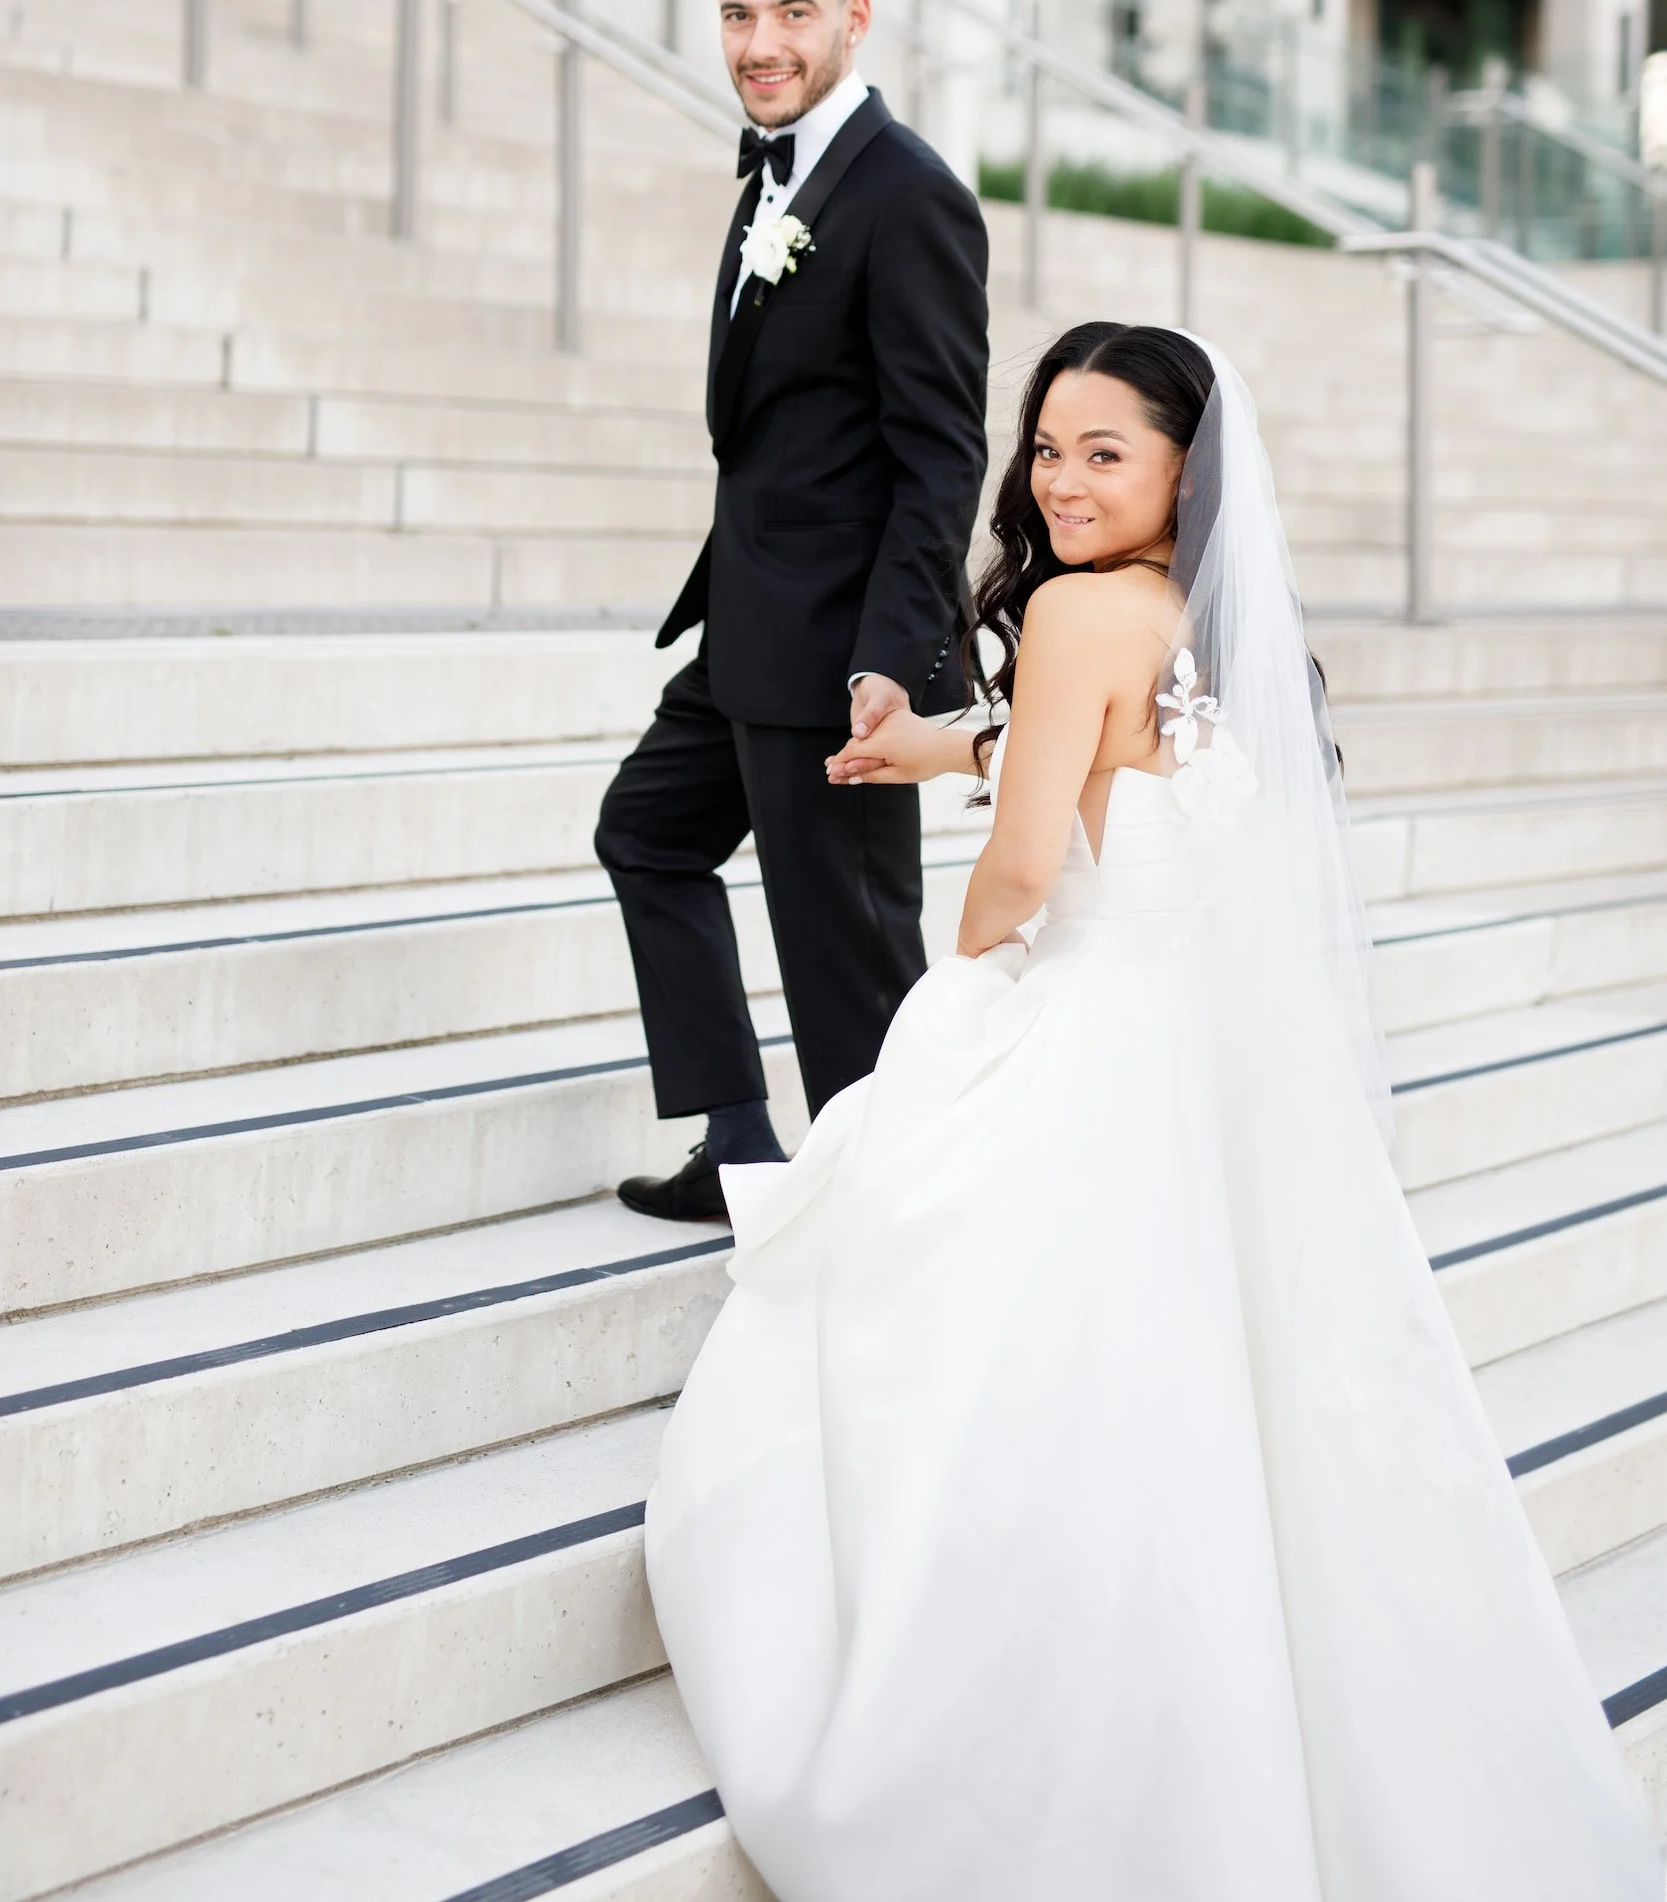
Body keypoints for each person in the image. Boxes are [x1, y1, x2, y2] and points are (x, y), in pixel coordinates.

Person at [644, 322, 1664, 1901]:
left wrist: (968, 978)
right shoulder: (1198, 614)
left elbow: (1032, 861)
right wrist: (939, 741)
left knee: (934, 1292)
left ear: (1185, 465)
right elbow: (1117, 748)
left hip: (1086, 1014)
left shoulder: (1068, 613)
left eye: (1101, 452)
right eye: (1043, 449)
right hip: (1190, 1041)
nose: (1056, 481)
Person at [596, 0, 989, 1221]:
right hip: (746, 628)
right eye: (736, 13)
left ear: (854, 15)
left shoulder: (906, 194)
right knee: (646, 835)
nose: (760, 40)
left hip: (836, 654)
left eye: (792, 12)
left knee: (848, 970)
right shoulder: (777, 166)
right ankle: (743, 1146)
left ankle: (895, 1221)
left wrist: (894, 658)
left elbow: (941, 449)